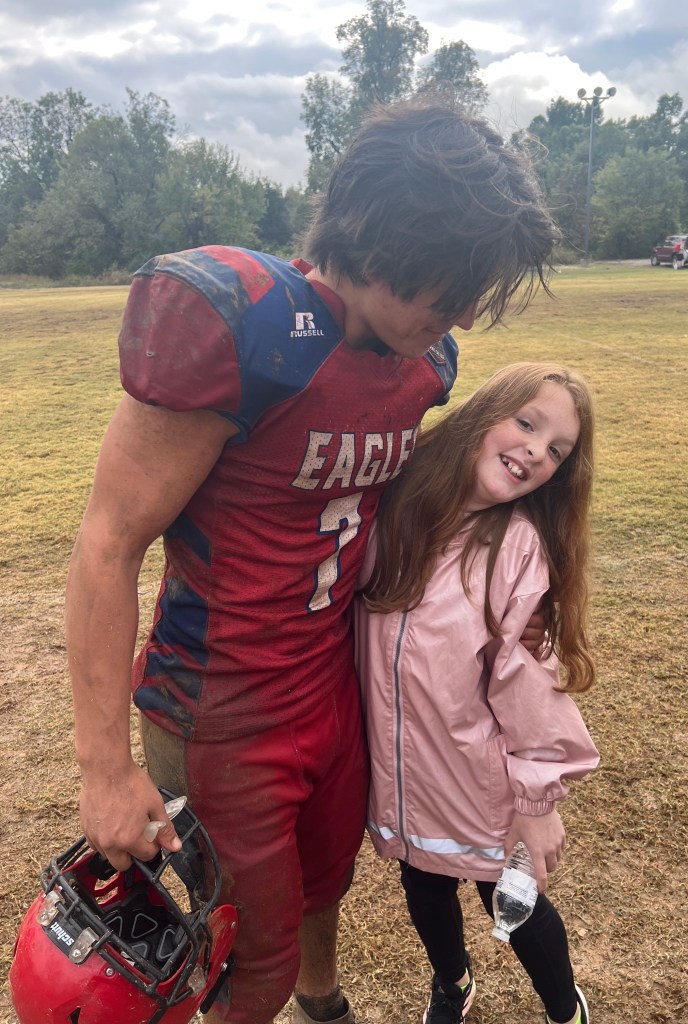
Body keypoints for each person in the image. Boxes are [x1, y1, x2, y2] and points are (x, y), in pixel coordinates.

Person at [65, 100, 558, 1024]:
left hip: (332, 685)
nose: (461, 311)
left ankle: (324, 1008)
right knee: (249, 956)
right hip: (222, 706)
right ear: (380, 239)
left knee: (324, 884)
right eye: (449, 283)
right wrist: (103, 769)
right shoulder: (247, 330)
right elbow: (107, 543)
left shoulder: (424, 363)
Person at [356, 363, 600, 1024]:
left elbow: (528, 684)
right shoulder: (391, 507)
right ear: (483, 414)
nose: (536, 451)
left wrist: (537, 799)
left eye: (557, 451)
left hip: (478, 777)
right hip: (401, 775)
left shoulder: (515, 548)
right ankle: (453, 982)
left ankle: (564, 1009)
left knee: (512, 900)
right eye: (527, 423)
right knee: (422, 883)